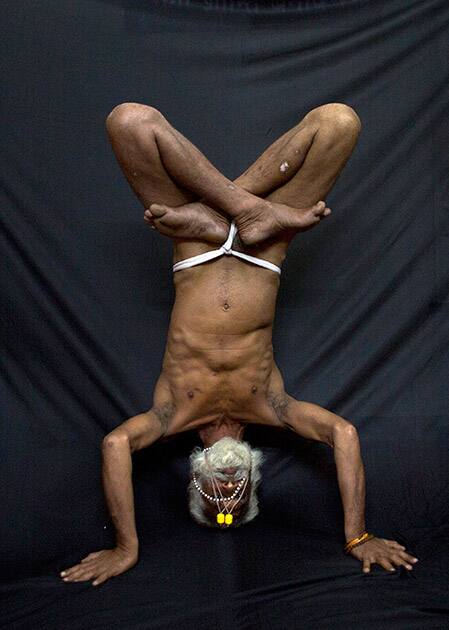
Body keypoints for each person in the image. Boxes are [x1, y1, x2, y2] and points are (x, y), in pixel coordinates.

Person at [60, 103, 418, 586]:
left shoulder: (170, 416)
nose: (227, 486)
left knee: (128, 121)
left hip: (196, 250)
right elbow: (344, 434)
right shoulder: (271, 406)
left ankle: (228, 212)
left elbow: (116, 443)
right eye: (236, 491)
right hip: (263, 248)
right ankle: (244, 210)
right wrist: (357, 537)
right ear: (252, 476)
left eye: (214, 493)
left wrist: (127, 545)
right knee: (339, 122)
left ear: (195, 476)